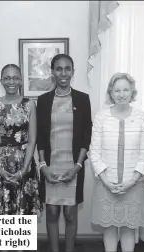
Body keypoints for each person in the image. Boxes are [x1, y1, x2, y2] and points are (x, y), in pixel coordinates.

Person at [89, 72, 144, 252]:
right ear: (111, 93)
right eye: (117, 90)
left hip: (134, 184)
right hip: (105, 183)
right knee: (108, 228)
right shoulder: (101, 117)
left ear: (133, 92)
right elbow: (95, 152)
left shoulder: (141, 118)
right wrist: (106, 181)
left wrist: (131, 182)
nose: (121, 94)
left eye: (126, 89)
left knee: (128, 229)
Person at [36, 54, 92, 252]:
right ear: (52, 72)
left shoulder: (83, 99)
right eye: (58, 69)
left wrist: (77, 167)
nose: (63, 73)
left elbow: (87, 136)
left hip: (73, 165)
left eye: (67, 68)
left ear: (73, 72)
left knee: (70, 214)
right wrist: (43, 166)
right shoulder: (42, 101)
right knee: (51, 213)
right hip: (50, 165)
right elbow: (40, 137)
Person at [0, 64, 43, 216]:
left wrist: (24, 170)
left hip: (24, 162)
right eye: (8, 78)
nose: (12, 81)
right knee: (0, 215)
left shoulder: (29, 104)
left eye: (16, 78)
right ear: (2, 81)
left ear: (21, 81)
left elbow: (32, 139)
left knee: (23, 214)